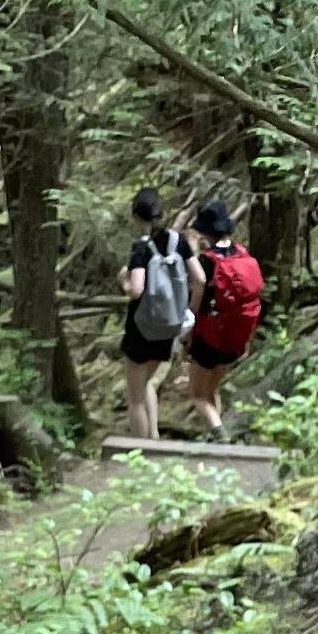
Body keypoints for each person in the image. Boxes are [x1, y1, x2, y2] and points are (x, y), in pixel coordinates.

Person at [117, 187, 193, 443]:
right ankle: (155, 436)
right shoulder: (179, 242)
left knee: (134, 396)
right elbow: (200, 279)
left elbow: (137, 290)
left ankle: (142, 450)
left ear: (138, 218)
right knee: (146, 382)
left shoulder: (142, 248)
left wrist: (124, 282)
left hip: (141, 327)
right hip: (169, 325)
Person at [183, 200, 263, 439]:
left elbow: (198, 295)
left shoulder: (207, 262)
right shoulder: (242, 253)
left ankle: (221, 437)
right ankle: (214, 436)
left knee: (198, 395)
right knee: (211, 390)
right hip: (234, 339)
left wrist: (189, 330)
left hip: (208, 335)